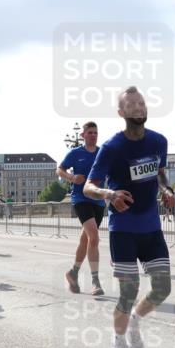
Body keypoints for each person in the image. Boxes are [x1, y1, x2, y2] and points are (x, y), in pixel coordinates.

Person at [84, 86, 175, 348]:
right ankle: (118, 342)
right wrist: (109, 195)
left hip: (151, 227)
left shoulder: (159, 141)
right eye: (131, 104)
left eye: (142, 103)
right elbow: (89, 186)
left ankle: (135, 320)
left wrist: (166, 189)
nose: (138, 107)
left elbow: (160, 173)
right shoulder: (113, 148)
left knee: (162, 288)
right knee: (128, 290)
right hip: (123, 228)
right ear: (121, 113)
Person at [58, 121, 106, 296]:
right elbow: (59, 169)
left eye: (96, 132)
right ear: (82, 135)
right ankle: (95, 281)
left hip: (98, 200)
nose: (93, 135)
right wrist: (71, 177)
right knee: (94, 237)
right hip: (80, 199)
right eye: (90, 132)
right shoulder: (75, 153)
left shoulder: (103, 153)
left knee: (86, 240)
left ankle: (73, 273)